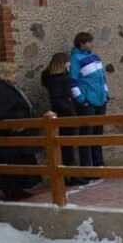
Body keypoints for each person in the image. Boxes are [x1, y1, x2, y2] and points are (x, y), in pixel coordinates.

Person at [0, 62, 41, 200]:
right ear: (6, 74)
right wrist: (14, 123)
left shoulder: (6, 87)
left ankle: (18, 188)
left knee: (19, 161)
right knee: (10, 162)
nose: (16, 76)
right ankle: (11, 190)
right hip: (6, 135)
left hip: (17, 133)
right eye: (14, 73)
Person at [41, 53, 89, 186]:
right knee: (66, 146)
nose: (69, 64)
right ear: (62, 63)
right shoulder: (57, 79)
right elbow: (57, 99)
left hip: (65, 113)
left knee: (66, 146)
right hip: (64, 115)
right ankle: (70, 176)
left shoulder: (57, 78)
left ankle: (70, 175)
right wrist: (69, 112)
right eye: (68, 62)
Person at [69, 32, 109, 171]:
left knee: (98, 134)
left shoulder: (95, 57)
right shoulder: (75, 59)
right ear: (82, 43)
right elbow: (72, 81)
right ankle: (87, 167)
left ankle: (99, 163)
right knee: (87, 136)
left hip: (100, 100)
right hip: (88, 103)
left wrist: (106, 94)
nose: (92, 44)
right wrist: (81, 100)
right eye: (89, 42)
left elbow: (102, 78)